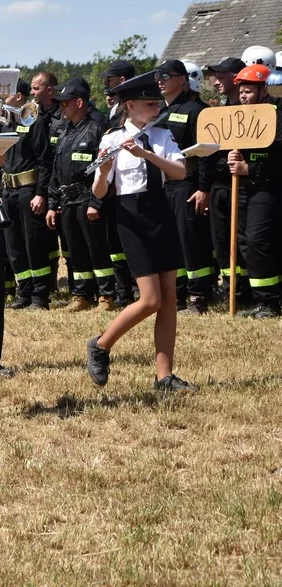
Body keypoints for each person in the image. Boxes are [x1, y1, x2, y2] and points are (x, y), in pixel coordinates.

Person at [87, 71, 195, 392]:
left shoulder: (162, 136)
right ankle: (101, 344)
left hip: (160, 210)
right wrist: (105, 169)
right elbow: (101, 190)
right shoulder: (110, 138)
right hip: (130, 215)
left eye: (157, 103)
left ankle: (164, 376)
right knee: (150, 299)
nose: (156, 109)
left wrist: (147, 154)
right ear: (130, 105)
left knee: (169, 298)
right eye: (150, 104)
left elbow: (179, 171)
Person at [48, 77, 114, 310]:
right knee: (75, 252)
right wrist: (52, 202)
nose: (61, 107)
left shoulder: (97, 128)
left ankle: (106, 295)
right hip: (68, 200)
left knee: (96, 248)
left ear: (78, 102)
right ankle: (82, 295)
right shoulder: (65, 131)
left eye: (64, 103)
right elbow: (57, 169)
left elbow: (106, 171)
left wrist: (96, 202)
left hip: (88, 197)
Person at [155, 60, 214, 313]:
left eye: (166, 76)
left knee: (191, 241)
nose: (161, 80)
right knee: (170, 242)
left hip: (187, 184)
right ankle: (176, 294)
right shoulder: (158, 111)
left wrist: (204, 188)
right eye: (159, 75)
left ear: (182, 79)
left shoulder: (197, 110)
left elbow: (207, 153)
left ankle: (198, 296)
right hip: (163, 185)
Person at [229, 64, 282, 318]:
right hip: (244, 190)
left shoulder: (278, 115)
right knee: (244, 242)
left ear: (263, 90)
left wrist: (249, 168)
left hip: (267, 189)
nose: (243, 96)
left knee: (258, 240)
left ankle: (270, 302)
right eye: (241, 91)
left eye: (248, 91)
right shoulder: (241, 116)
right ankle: (259, 298)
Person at [0, 77, 54, 310]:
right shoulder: (5, 123)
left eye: (7, 95)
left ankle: (40, 295)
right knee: (13, 246)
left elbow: (45, 160)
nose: (3, 100)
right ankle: (24, 292)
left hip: (28, 191)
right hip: (9, 191)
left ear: (18, 97)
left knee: (34, 244)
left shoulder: (34, 121)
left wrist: (41, 193)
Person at [205, 58, 250, 301]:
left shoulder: (253, 111)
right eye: (215, 76)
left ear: (237, 77)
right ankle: (231, 287)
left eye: (222, 76)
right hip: (219, 184)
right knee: (221, 239)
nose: (216, 81)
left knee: (244, 238)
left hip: (244, 185)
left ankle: (248, 290)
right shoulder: (218, 112)